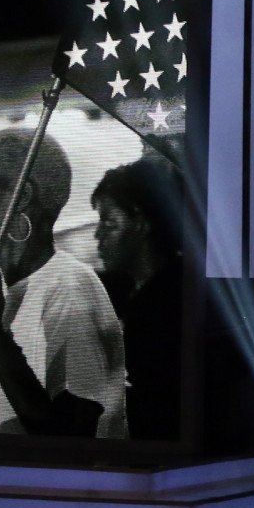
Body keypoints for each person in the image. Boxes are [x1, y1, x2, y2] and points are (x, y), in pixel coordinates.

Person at [0, 130, 127, 438]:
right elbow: (17, 414)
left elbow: (73, 437)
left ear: (21, 197)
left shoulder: (68, 290)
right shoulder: (2, 288)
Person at [94, 157, 185, 441]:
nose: (98, 234)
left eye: (109, 222)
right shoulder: (124, 291)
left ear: (141, 223)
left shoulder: (165, 307)